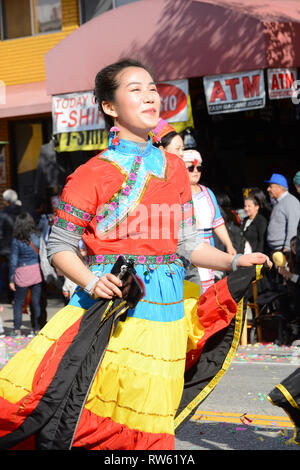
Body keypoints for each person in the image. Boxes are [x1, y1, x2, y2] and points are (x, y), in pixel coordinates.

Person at [0, 59, 270, 450]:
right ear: (110, 107)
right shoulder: (92, 173)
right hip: (112, 312)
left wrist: (232, 262)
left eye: (153, 88)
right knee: (91, 420)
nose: (150, 96)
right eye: (135, 89)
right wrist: (93, 281)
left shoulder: (176, 168)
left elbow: (185, 243)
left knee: (152, 425)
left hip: (167, 315)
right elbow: (59, 245)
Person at [183, 149, 236, 292]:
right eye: (190, 168)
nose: (196, 171)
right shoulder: (178, 193)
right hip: (188, 249)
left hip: (208, 247)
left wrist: (229, 246)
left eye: (198, 168)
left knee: (209, 292)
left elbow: (218, 222)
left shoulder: (207, 192)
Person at [8, 212, 42, 337]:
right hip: (36, 272)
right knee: (35, 302)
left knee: (18, 302)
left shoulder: (17, 241)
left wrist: (11, 279)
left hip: (22, 272)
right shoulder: (38, 237)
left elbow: (13, 260)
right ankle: (36, 328)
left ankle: (17, 330)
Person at [265, 173, 300, 255]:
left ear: (279, 187)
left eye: (271, 186)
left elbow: (293, 226)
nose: (268, 189)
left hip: (283, 251)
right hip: (276, 251)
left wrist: (287, 249)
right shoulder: (279, 202)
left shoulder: (290, 202)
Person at [0, 189, 21, 302]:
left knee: (10, 270)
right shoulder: (22, 211)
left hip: (7, 248)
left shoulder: (2, 214)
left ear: (6, 201)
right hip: (23, 245)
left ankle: (11, 296)